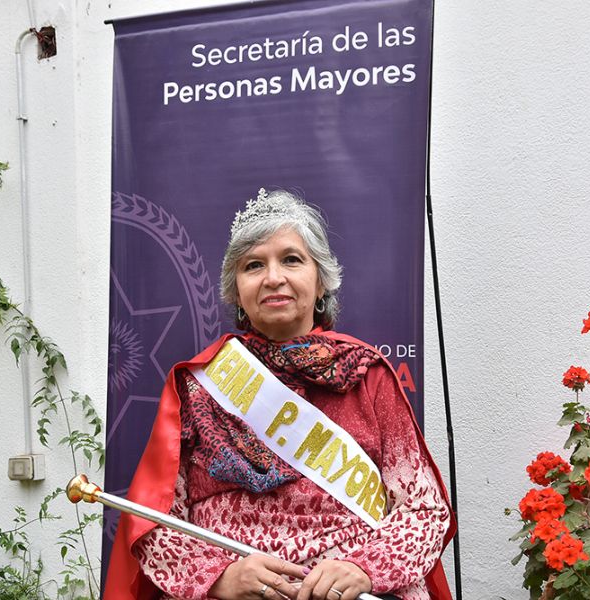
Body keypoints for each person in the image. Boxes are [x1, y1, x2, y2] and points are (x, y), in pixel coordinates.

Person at [106, 189, 455, 600]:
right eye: (254, 265)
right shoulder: (198, 385)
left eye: (291, 259)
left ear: (321, 280)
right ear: (236, 292)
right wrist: (219, 578)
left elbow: (425, 512)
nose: (273, 277)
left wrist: (364, 569)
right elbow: (155, 524)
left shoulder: (368, 376)